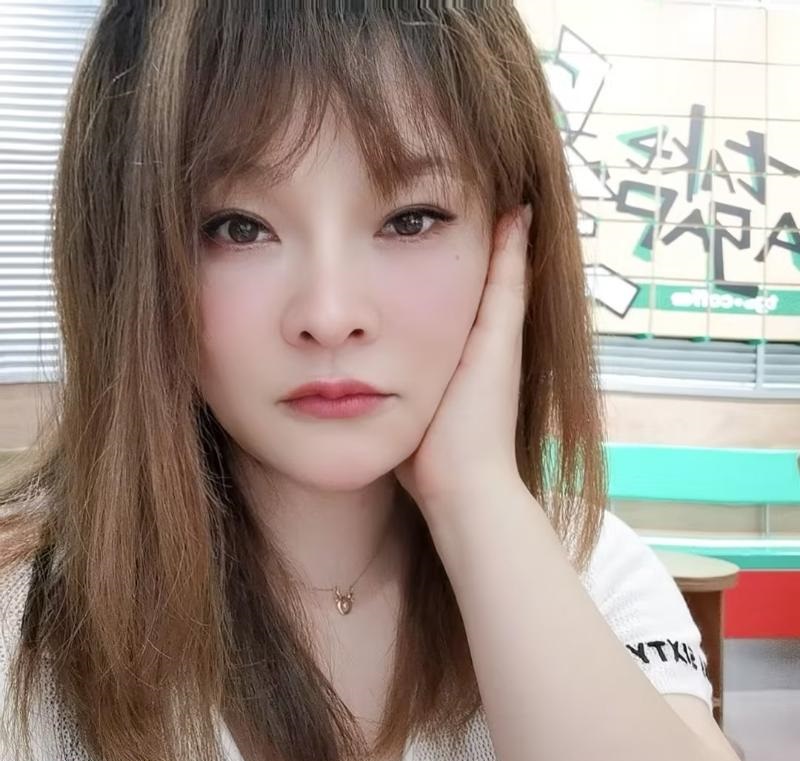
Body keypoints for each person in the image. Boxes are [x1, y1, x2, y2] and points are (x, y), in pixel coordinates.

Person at [0, 2, 741, 761]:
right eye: (237, 227)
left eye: (411, 219)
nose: (330, 316)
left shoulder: (591, 571)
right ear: (129, 257)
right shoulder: (19, 618)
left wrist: (475, 496)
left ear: (511, 241)